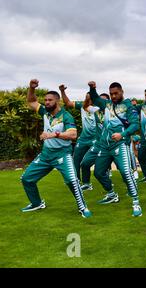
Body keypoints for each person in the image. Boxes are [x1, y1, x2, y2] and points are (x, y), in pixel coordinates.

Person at [20, 79, 92, 218]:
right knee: (26, 179)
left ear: (57, 101)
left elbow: (73, 134)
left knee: (72, 180)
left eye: (50, 100)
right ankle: (37, 203)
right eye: (45, 100)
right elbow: (31, 101)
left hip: (62, 155)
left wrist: (54, 134)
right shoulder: (44, 112)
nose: (46, 102)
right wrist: (32, 88)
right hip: (46, 155)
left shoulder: (66, 115)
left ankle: (82, 207)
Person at [88, 81, 142, 217]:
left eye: (116, 93)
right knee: (98, 172)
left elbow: (135, 125)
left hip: (120, 144)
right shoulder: (107, 104)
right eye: (111, 94)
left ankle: (136, 202)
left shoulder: (128, 105)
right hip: (104, 146)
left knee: (125, 172)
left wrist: (122, 134)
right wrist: (92, 88)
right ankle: (111, 194)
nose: (113, 96)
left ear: (122, 92)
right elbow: (94, 99)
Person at [59, 85, 98, 191]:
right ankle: (77, 182)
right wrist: (62, 91)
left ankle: (88, 182)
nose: (87, 100)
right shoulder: (82, 106)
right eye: (86, 97)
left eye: (89, 98)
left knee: (87, 162)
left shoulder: (98, 109)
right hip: (83, 139)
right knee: (76, 160)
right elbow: (67, 103)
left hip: (95, 139)